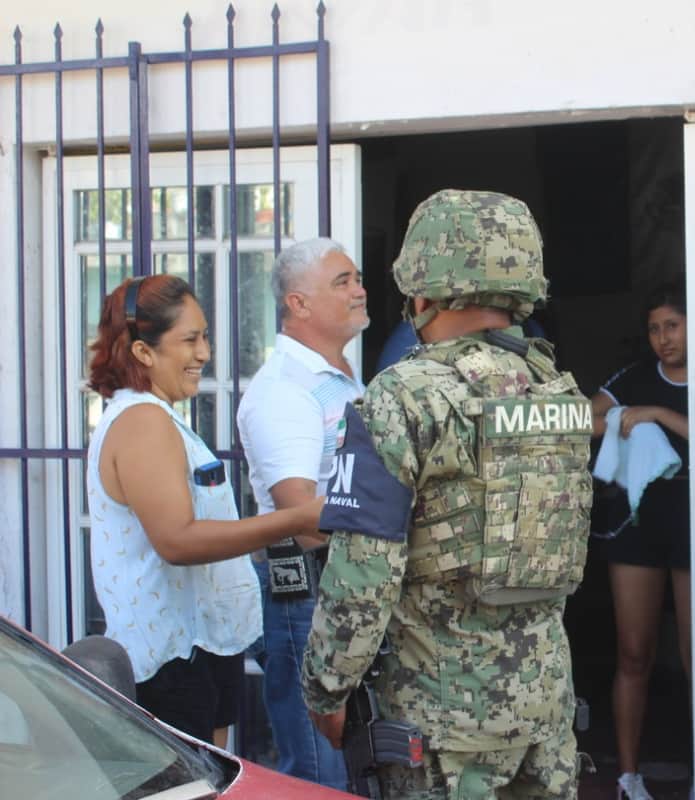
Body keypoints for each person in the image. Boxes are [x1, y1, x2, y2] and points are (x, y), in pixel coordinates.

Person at [302, 189, 593, 799]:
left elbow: (363, 570)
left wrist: (329, 687)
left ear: (422, 288)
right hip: (545, 716)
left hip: (442, 729)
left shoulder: (402, 395)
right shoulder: (555, 390)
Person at [86, 274, 323, 746]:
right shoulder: (142, 421)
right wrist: (296, 518)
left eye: (205, 337)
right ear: (143, 353)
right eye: (190, 340)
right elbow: (177, 540)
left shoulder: (162, 417)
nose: (204, 354)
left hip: (203, 649)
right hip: (173, 663)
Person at [236, 238, 368, 789]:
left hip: (347, 586)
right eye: (342, 281)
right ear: (299, 304)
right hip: (307, 595)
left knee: (356, 758)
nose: (360, 290)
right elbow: (300, 514)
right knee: (318, 772)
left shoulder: (338, 378)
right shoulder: (284, 390)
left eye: (357, 277)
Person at [589, 282, 690, 800]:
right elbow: (585, 419)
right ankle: (628, 777)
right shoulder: (634, 376)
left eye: (672, 326)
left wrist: (658, 414)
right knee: (634, 653)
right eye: (654, 328)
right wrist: (624, 416)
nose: (663, 339)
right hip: (638, 525)